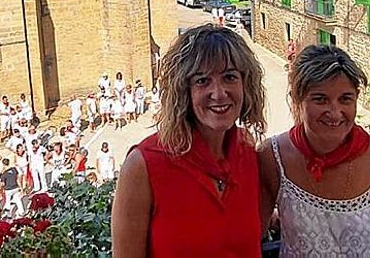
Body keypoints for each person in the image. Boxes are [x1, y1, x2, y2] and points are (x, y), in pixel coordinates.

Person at [112, 24, 267, 257]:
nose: (219, 93)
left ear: (246, 85)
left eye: (230, 77)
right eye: (202, 81)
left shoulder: (247, 152)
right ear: (183, 91)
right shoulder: (144, 166)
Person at [258, 44, 370, 257]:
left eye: (345, 99)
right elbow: (250, 237)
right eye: (320, 99)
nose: (335, 113)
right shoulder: (272, 158)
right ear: (297, 100)